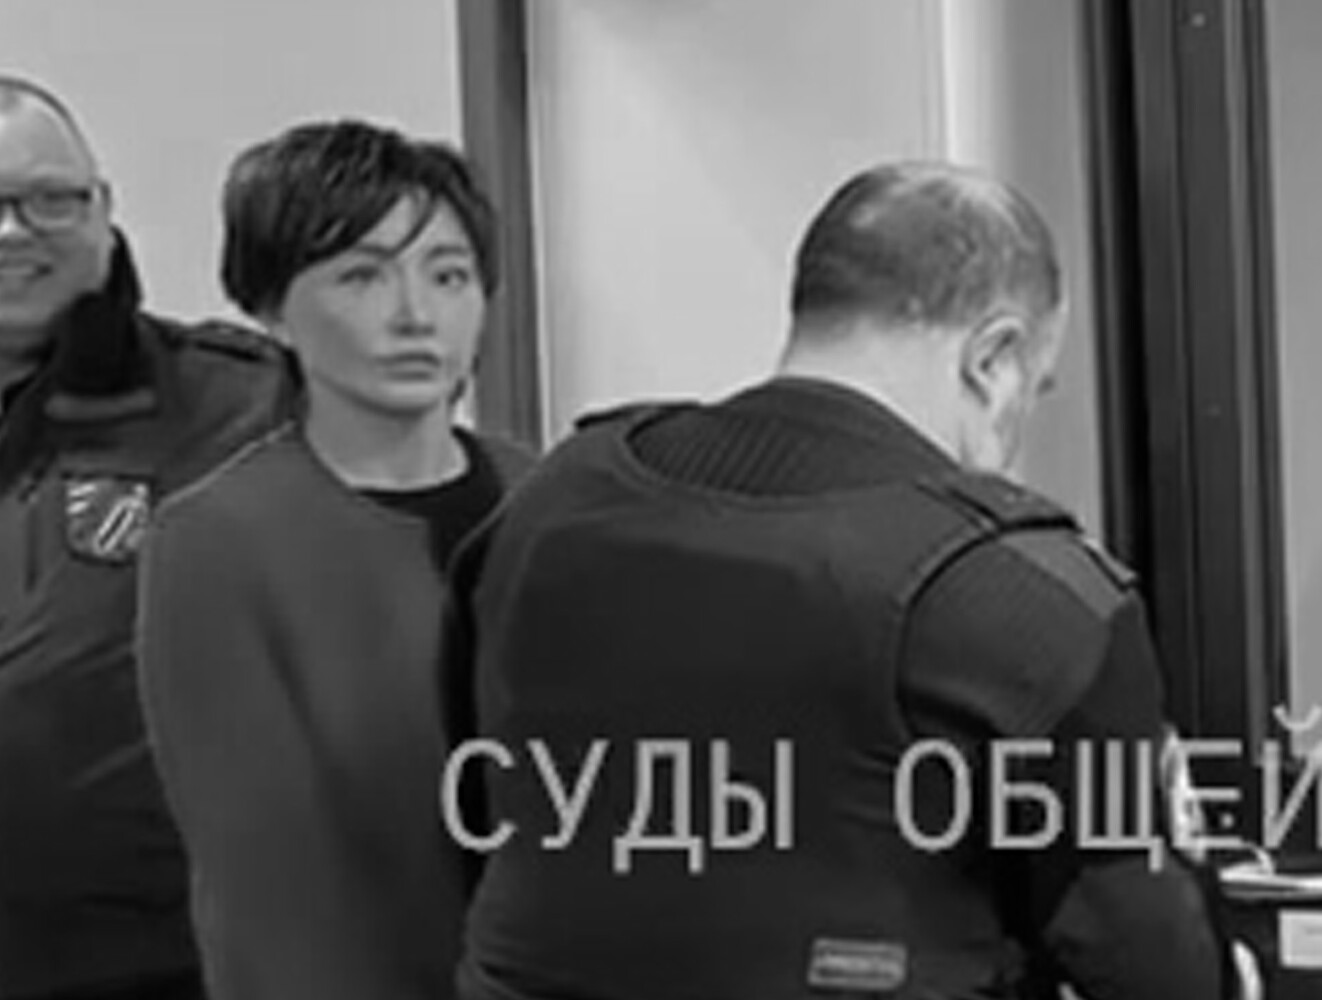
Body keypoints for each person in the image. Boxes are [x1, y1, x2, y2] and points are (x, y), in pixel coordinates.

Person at [451, 162, 1258, 999]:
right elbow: (1153, 961)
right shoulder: (1022, 597)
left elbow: (476, 806)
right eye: (1037, 388)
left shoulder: (551, 502)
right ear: (993, 358)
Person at [136, 119, 533, 1000]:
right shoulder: (220, 539)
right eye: (362, 276)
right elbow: (267, 876)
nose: (415, 315)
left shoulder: (547, 497)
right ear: (273, 308)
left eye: (449, 276)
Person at [0, 76, 296, 1000]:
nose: (13, 232)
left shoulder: (247, 405)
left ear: (104, 207)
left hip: (166, 962)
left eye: (51, 199)